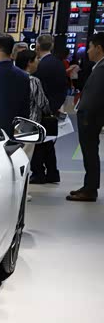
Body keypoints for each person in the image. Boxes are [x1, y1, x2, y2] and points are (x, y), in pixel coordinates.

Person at [67, 33, 104, 202]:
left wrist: (86, 114)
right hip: (90, 116)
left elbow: (96, 96)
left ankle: (90, 189)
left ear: (98, 48)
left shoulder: (102, 68)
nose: (87, 51)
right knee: (89, 152)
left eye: (90, 47)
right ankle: (88, 186)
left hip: (91, 117)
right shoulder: (98, 66)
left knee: (90, 153)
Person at [31, 34, 67, 184]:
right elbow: (63, 87)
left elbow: (39, 89)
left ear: (38, 46)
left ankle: (38, 173)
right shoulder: (58, 63)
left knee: (39, 144)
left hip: (41, 110)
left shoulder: (41, 66)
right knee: (48, 143)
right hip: (53, 108)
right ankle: (52, 173)